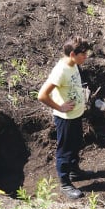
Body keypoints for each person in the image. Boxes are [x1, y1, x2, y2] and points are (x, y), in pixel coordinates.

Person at [38, 36, 92, 199]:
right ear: (72, 54)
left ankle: (74, 171)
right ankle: (65, 183)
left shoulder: (73, 64)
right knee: (65, 149)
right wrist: (59, 107)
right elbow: (42, 95)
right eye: (83, 54)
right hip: (65, 118)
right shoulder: (60, 71)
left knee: (76, 144)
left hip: (75, 115)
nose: (86, 57)